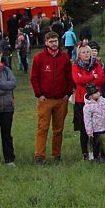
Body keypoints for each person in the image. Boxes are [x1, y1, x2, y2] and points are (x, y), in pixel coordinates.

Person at [30, 31, 73, 164]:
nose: (54, 44)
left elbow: (69, 76)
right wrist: (39, 94)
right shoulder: (39, 57)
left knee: (58, 129)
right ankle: (39, 156)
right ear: (46, 43)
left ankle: (56, 155)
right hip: (46, 99)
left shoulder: (64, 57)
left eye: (55, 41)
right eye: (51, 42)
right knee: (43, 128)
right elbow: (34, 77)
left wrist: (68, 93)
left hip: (61, 99)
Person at [70, 43, 105, 160]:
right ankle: (86, 152)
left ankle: (99, 152)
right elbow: (77, 80)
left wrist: (87, 81)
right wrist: (92, 77)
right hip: (81, 101)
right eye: (83, 52)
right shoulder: (75, 66)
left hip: (96, 100)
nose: (86, 54)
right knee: (84, 128)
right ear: (79, 55)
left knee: (98, 127)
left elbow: (101, 79)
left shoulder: (97, 64)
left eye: (88, 52)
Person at [80, 83, 105, 161]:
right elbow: (87, 120)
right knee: (96, 145)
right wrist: (89, 131)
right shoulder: (87, 107)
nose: (98, 93)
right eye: (95, 93)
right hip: (96, 130)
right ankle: (96, 157)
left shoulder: (103, 101)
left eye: (97, 91)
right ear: (90, 96)